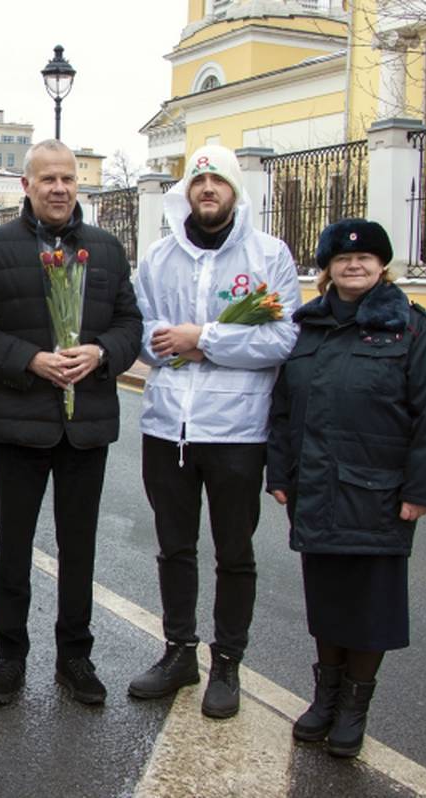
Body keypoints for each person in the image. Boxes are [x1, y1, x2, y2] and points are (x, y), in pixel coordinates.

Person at [0, 139, 142, 706]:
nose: (59, 188)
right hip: (19, 422)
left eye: (68, 179)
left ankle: (75, 658)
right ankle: (9, 659)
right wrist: (31, 360)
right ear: (27, 186)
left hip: (85, 425)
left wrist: (101, 353)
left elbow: (131, 324)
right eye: (48, 180)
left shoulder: (107, 250)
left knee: (78, 547)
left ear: (77, 186)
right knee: (13, 548)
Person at [267, 218, 426, 757]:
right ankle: (324, 699)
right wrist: (280, 473)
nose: (355, 264)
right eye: (343, 258)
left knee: (370, 605)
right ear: (326, 269)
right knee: (326, 600)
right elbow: (281, 409)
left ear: (382, 266)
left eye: (367, 257)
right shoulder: (306, 327)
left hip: (379, 492)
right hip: (316, 490)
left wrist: (421, 491)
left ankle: (354, 708)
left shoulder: (414, 329)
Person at [127, 144, 302, 719]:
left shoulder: (269, 254)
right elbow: (146, 331)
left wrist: (202, 338)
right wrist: (170, 342)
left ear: (234, 191)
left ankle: (228, 661)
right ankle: (179, 651)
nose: (208, 189)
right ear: (187, 191)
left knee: (235, 552)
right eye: (199, 180)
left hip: (237, 432)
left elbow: (281, 340)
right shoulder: (158, 256)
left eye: (218, 181)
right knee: (174, 547)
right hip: (167, 427)